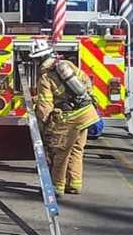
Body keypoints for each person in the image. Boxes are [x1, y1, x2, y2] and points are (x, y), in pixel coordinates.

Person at [31, 39, 100, 196]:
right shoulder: (67, 65)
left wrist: (44, 124)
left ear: (38, 59)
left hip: (69, 118)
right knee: (77, 148)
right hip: (87, 113)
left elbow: (45, 106)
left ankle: (57, 187)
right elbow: (86, 82)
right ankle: (74, 184)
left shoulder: (45, 77)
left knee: (59, 153)